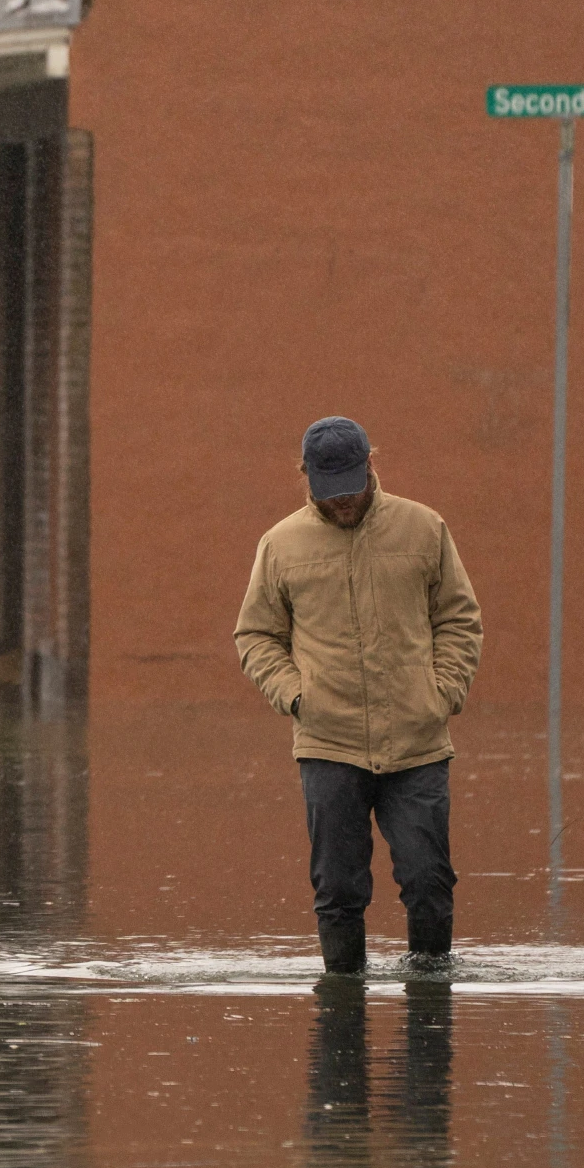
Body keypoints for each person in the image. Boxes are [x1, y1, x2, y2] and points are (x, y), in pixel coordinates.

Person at [233, 417, 482, 975]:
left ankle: (430, 1001)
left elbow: (459, 619)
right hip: (328, 743)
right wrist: (296, 696)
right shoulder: (281, 544)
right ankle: (342, 1013)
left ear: (372, 463)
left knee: (428, 880)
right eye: (329, 490)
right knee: (339, 888)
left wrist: (444, 692)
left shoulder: (424, 528)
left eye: (351, 484)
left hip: (417, 742)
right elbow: (256, 636)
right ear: (304, 477)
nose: (343, 500)